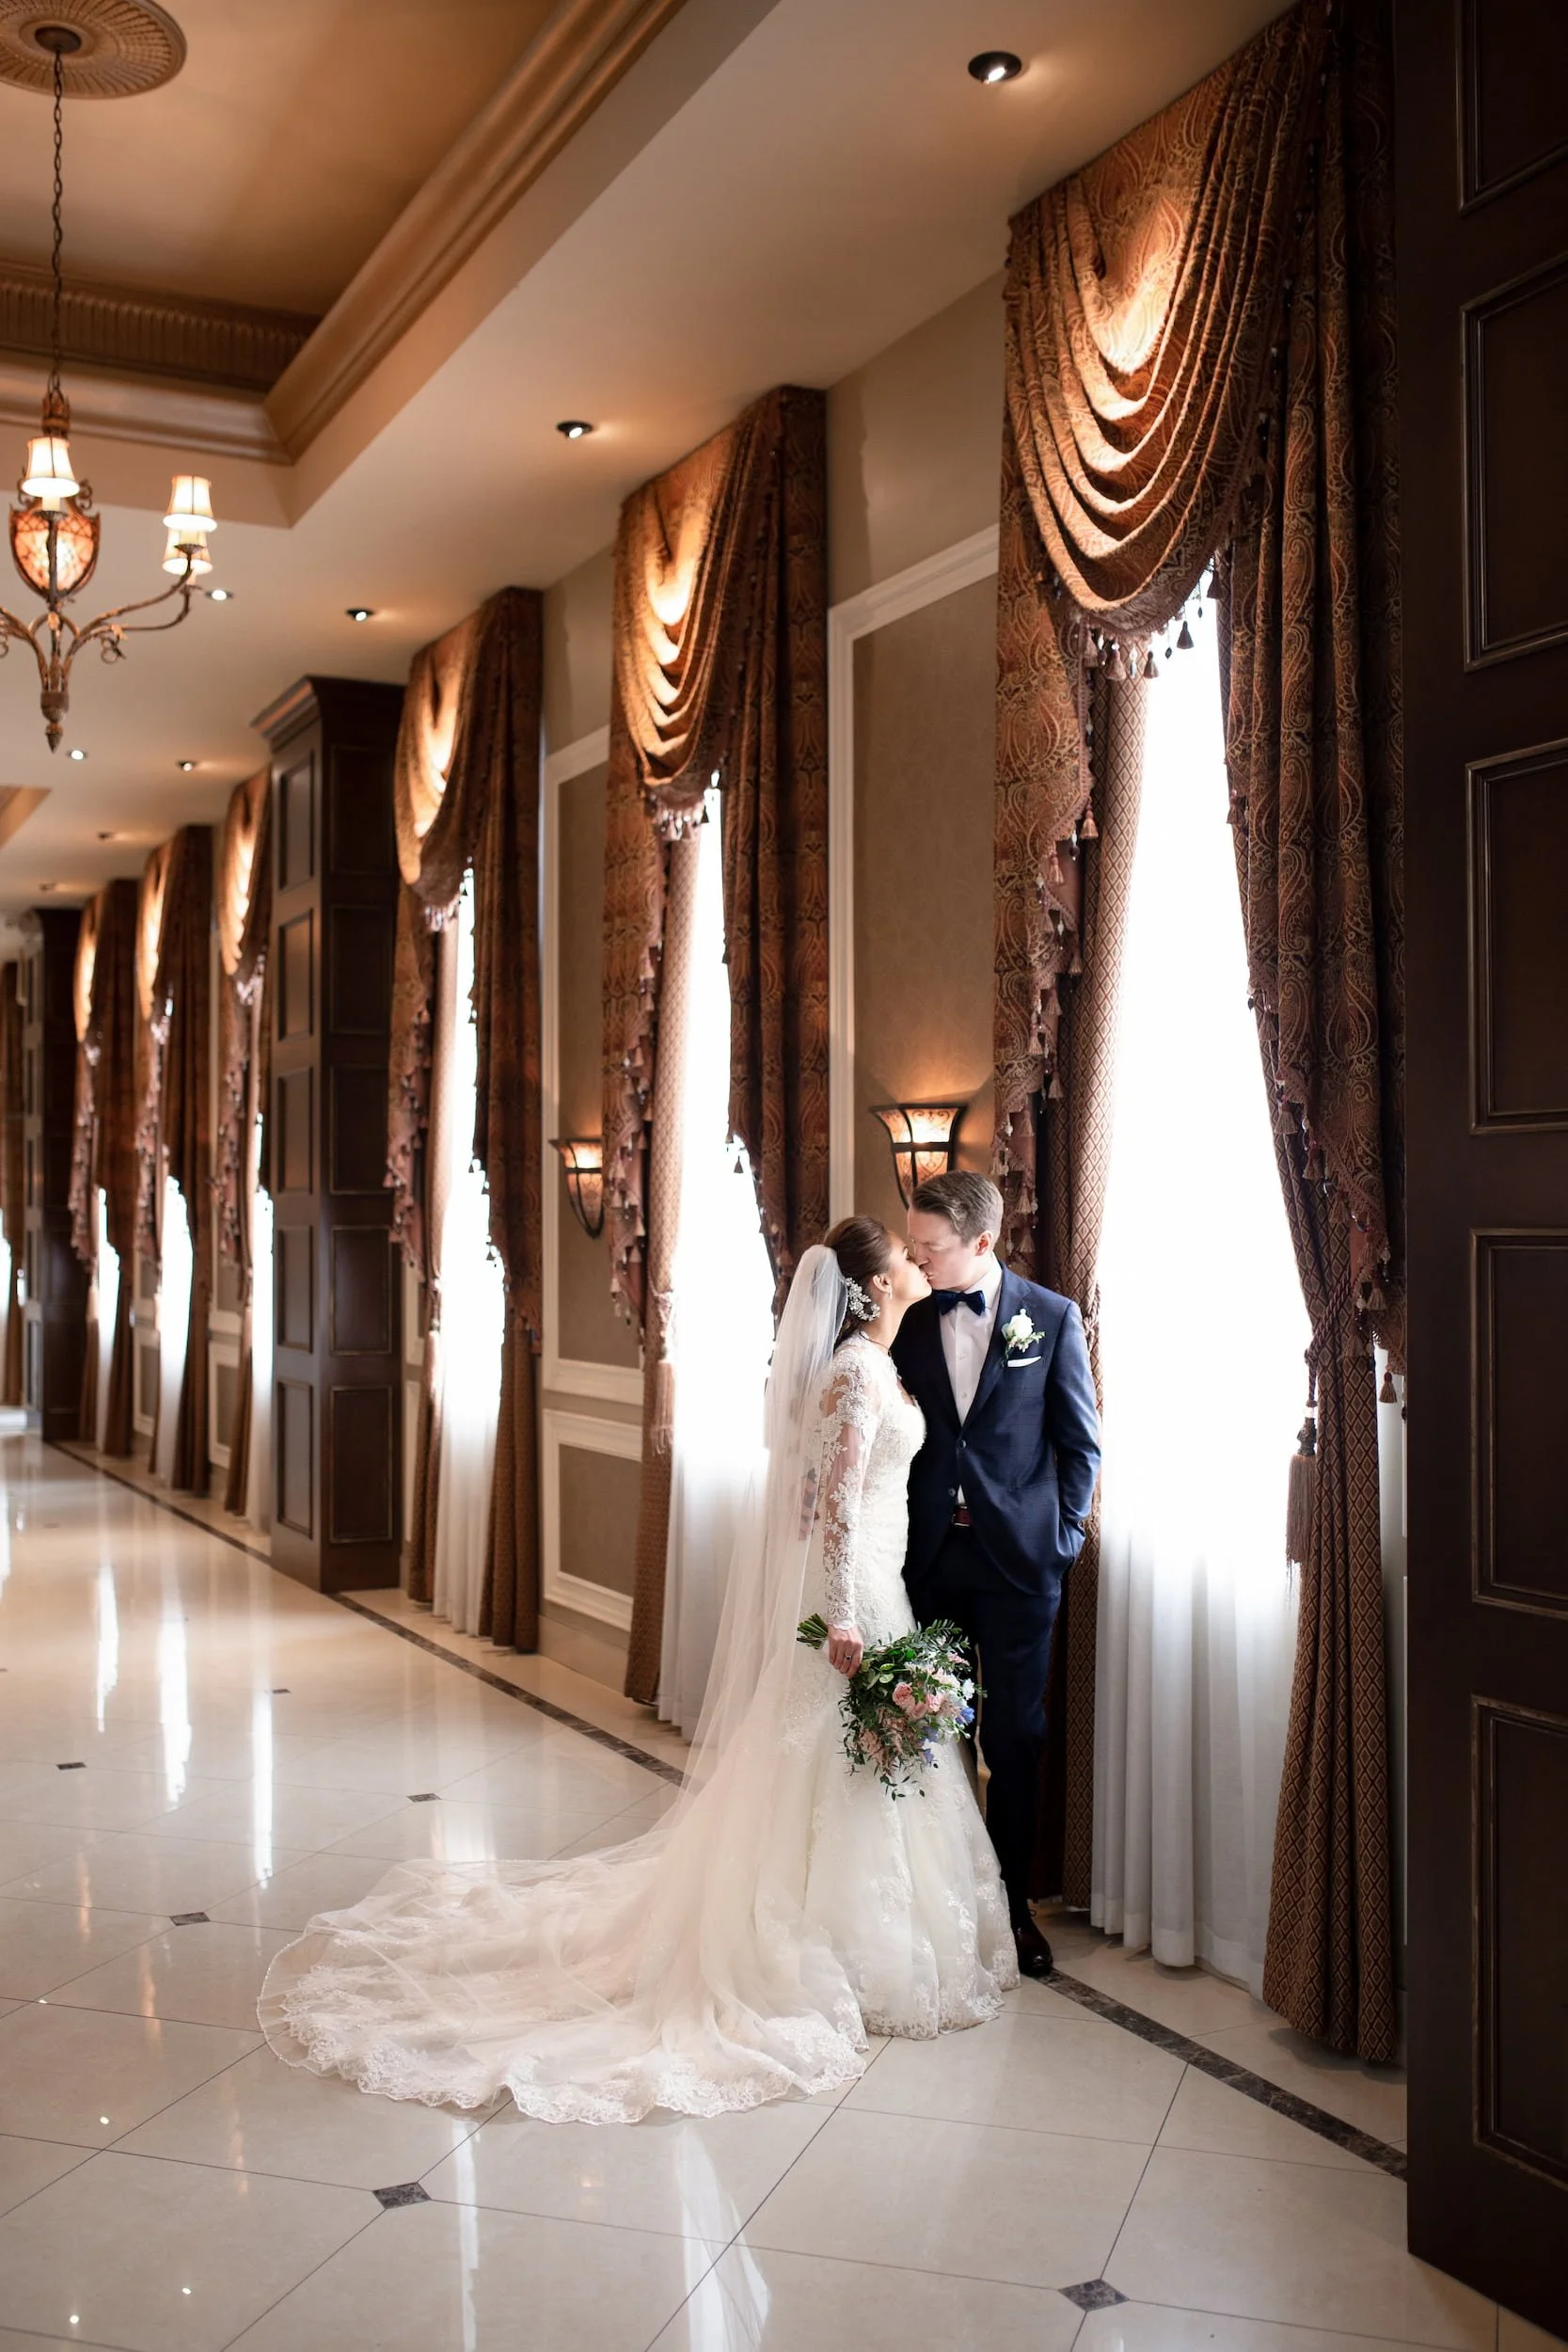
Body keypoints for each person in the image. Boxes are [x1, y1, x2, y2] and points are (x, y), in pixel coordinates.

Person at [259, 1216, 1016, 2124]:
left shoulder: (877, 1363)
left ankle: (873, 1936)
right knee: (840, 1751)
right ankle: (830, 1946)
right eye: (902, 1253)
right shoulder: (856, 1372)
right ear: (873, 1287)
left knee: (850, 1755)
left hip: (878, 1574)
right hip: (857, 1587)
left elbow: (816, 1498)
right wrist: (844, 1612)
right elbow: (836, 1504)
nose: (914, 1258)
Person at [894, 1171, 1102, 1979]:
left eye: (933, 1248)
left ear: (982, 1242)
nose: (919, 1261)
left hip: (1020, 1563)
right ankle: (948, 1904)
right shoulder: (911, 1325)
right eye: (913, 1246)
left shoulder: (1049, 1318)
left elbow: (1080, 1443)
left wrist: (1063, 1538)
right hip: (930, 1563)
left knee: (1014, 1738)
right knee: (933, 1732)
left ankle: (1014, 1912)